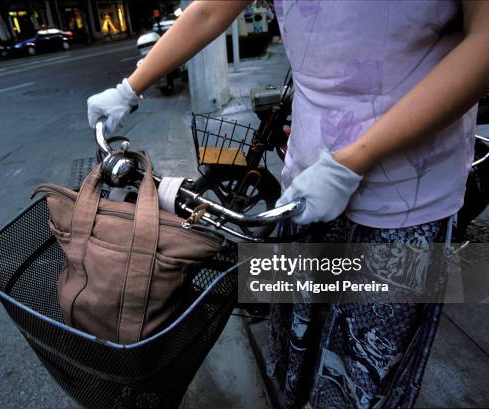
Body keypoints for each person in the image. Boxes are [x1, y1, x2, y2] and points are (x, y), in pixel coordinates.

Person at [87, 1, 489, 407]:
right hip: (308, 183)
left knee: (361, 371)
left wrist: (355, 160)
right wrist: (129, 88)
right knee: (300, 336)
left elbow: (484, 42)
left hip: (407, 196)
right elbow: (210, 10)